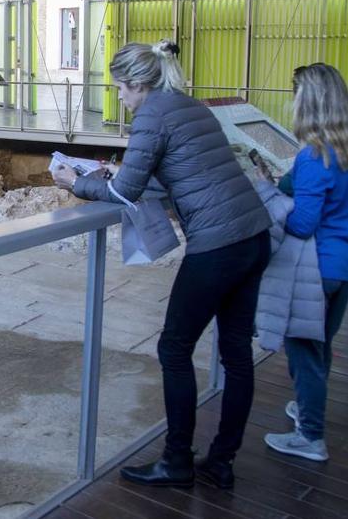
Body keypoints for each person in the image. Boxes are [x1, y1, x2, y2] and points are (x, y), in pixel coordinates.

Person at [55, 39, 271, 490]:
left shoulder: (151, 113)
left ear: (137, 83)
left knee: (173, 348)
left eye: (119, 88)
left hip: (217, 244)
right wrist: (116, 173)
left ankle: (176, 462)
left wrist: (76, 183)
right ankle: (221, 461)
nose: (119, 97)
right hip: (253, 234)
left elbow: (125, 193)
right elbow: (176, 168)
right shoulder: (187, 103)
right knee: (236, 354)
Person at [264, 63, 348, 462]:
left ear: (307, 103)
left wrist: (275, 203)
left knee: (304, 352)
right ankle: (308, 408)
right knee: (321, 345)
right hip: (344, 265)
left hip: (315, 270)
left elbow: (305, 223)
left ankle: (311, 435)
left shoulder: (314, 156)